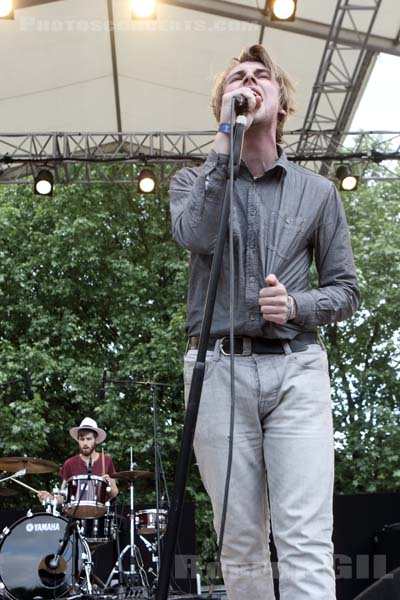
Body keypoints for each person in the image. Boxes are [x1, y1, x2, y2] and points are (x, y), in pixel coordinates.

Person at [169, 44, 360, 600]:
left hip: (297, 369)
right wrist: (223, 145)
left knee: (305, 538)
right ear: (224, 102)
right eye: (237, 77)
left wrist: (297, 305)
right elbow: (198, 235)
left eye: (261, 76)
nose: (249, 82)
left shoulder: (318, 191)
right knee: (240, 542)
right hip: (219, 372)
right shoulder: (191, 182)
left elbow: (347, 289)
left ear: (282, 102)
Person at [37, 417, 118, 505]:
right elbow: (62, 497)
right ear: (78, 440)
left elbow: (114, 492)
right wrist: (50, 498)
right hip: (75, 515)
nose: (85, 443)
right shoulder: (69, 463)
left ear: (96, 440)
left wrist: (108, 484)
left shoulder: (106, 460)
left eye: (89, 439)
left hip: (99, 514)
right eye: (82, 439)